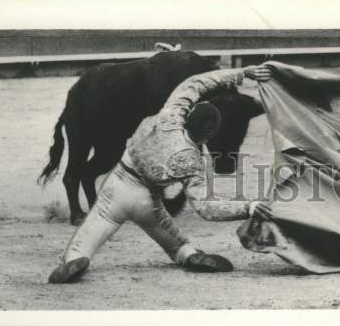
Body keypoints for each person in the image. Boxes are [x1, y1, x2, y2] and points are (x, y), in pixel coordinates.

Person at [48, 65, 271, 284]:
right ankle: (187, 253)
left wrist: (242, 73)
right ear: (209, 134)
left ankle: (74, 258)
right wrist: (249, 207)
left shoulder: (171, 112)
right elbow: (207, 209)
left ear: (189, 113)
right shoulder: (192, 162)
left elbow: (196, 83)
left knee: (87, 236)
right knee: (173, 238)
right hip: (148, 204)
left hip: (117, 187)